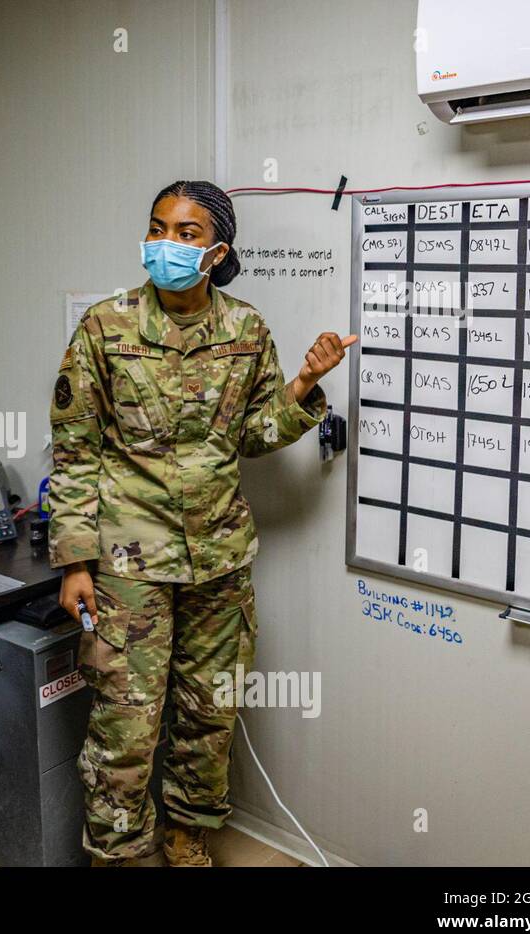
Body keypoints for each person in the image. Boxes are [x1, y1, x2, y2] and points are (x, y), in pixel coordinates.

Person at [49, 180, 355, 866]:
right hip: (130, 569)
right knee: (125, 729)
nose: (166, 243)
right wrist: (74, 562)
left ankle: (188, 840)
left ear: (216, 252)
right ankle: (119, 853)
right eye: (158, 227)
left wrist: (304, 384)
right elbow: (74, 451)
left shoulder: (245, 329)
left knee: (208, 719)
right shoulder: (106, 325)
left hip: (219, 561)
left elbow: (253, 435)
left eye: (185, 233)